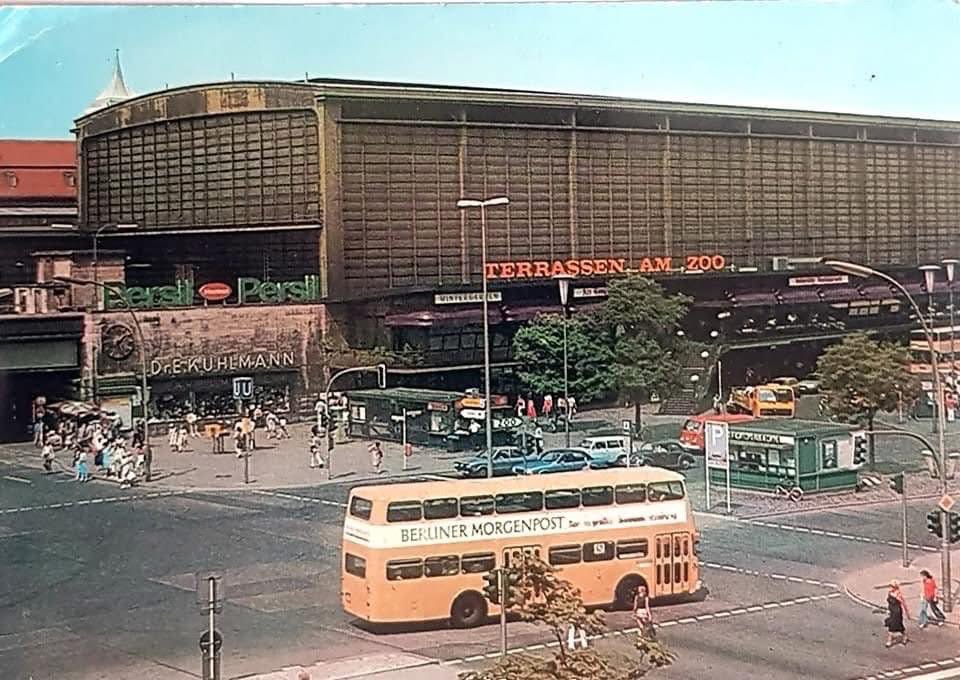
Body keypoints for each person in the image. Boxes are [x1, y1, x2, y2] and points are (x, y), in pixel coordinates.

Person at [885, 580, 910, 647]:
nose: (890, 587)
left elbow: (903, 603)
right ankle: (904, 637)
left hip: (897, 612)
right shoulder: (889, 592)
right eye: (890, 586)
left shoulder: (898, 594)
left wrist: (907, 613)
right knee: (897, 626)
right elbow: (889, 602)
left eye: (892, 586)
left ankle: (889, 641)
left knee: (893, 626)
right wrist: (888, 609)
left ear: (895, 587)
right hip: (892, 611)